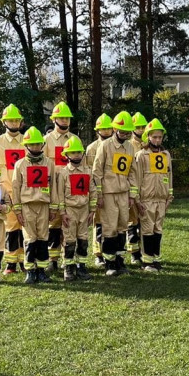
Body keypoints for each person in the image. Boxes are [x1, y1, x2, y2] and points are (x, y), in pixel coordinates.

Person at [92, 111, 138, 276]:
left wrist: (132, 195)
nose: (125, 135)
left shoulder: (130, 147)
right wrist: (99, 195)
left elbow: (133, 171)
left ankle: (120, 260)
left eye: (128, 132)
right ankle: (109, 262)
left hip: (123, 193)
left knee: (122, 227)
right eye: (122, 131)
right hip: (109, 193)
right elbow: (97, 171)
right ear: (115, 129)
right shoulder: (105, 146)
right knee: (110, 227)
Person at [11, 126, 55, 284]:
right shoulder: (20, 164)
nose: (35, 147)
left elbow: (54, 187)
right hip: (27, 206)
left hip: (44, 205)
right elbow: (15, 188)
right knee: (30, 239)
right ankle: (30, 271)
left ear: (42, 145)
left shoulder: (49, 163)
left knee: (43, 238)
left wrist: (53, 207)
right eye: (32, 144)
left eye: (38, 144)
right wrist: (17, 210)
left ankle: (41, 270)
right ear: (26, 145)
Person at [0, 105, 27, 274]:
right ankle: (11, 262)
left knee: (27, 227)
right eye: (11, 120)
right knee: (11, 227)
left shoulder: (28, 140)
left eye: (17, 120)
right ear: (4, 122)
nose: (14, 123)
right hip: (7, 192)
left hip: (27, 192)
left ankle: (26, 260)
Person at [53, 135, 97, 282]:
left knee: (83, 239)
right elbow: (59, 195)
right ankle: (68, 267)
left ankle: (82, 266)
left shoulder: (88, 171)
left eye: (79, 152)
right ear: (66, 155)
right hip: (70, 211)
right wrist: (62, 213)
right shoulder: (63, 173)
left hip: (84, 210)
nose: (76, 155)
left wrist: (92, 210)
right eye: (73, 152)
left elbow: (93, 191)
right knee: (69, 240)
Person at [131, 119, 173, 272]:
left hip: (161, 199)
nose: (157, 140)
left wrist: (170, 195)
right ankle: (146, 260)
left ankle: (155, 257)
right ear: (147, 137)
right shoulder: (141, 155)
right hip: (146, 199)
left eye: (160, 137)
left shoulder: (165, 154)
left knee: (158, 229)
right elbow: (136, 177)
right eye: (154, 137)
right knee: (147, 229)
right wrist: (137, 199)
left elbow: (169, 174)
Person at [44, 101, 79, 271]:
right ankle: (52, 259)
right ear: (54, 120)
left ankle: (69, 259)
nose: (64, 121)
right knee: (53, 225)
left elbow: (82, 167)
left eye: (67, 118)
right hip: (52, 189)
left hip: (71, 190)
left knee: (69, 224)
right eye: (61, 118)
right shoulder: (46, 141)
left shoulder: (75, 140)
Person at [86, 113, 115, 267]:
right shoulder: (92, 148)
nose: (105, 131)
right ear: (97, 130)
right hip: (96, 190)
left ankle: (111, 252)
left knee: (111, 223)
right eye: (102, 129)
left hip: (112, 189)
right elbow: (89, 171)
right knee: (98, 222)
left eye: (108, 129)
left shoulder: (115, 146)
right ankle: (98, 254)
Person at [127, 112, 150, 265]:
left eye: (143, 127)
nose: (141, 130)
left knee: (145, 221)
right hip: (132, 187)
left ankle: (144, 251)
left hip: (146, 188)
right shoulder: (129, 145)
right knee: (132, 221)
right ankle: (134, 252)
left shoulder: (149, 145)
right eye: (138, 127)